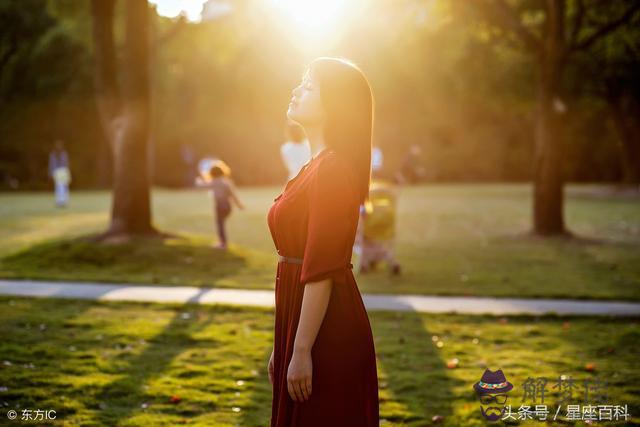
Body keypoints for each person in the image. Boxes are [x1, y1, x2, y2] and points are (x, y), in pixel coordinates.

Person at [267, 57, 379, 426]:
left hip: (327, 332)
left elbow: (321, 267)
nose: (297, 90)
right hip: (302, 321)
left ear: (335, 105)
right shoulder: (315, 165)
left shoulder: (332, 170)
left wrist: (300, 349)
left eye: (310, 85)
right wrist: (281, 345)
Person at [195, 160, 244, 249]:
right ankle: (222, 242)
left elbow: (203, 185)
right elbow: (233, 195)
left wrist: (198, 180)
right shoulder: (226, 182)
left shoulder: (214, 182)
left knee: (220, 224)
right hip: (228, 206)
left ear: (212, 173)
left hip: (220, 206)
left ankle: (223, 243)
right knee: (221, 223)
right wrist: (239, 205)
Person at [48, 140, 71, 207]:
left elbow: (66, 163)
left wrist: (67, 171)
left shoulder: (64, 154)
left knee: (64, 186)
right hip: (57, 172)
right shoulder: (53, 154)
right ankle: (59, 201)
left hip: (63, 171)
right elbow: (51, 164)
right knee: (58, 187)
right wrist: (50, 172)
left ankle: (64, 201)